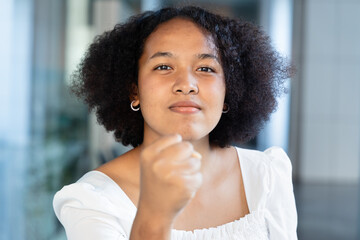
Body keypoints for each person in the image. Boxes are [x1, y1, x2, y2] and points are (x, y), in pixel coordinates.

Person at [53, 5, 297, 240]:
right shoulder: (92, 200)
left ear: (228, 92)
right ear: (134, 91)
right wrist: (154, 214)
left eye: (205, 68)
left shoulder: (267, 176)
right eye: (163, 66)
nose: (186, 84)